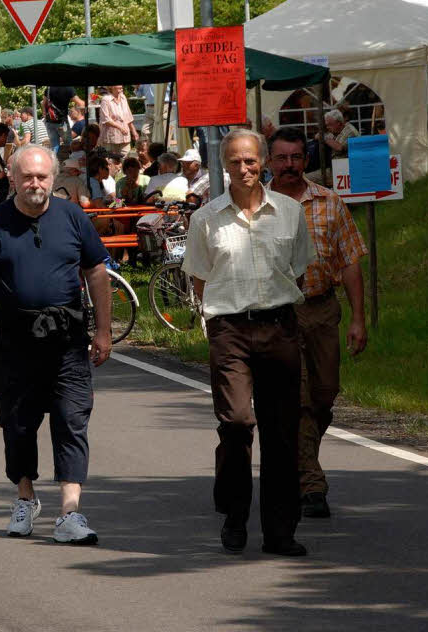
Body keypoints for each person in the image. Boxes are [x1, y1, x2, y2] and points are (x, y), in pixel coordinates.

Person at [0, 144, 113, 544]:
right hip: (15, 344)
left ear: (54, 177)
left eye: (42, 176)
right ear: (12, 178)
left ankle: (70, 513)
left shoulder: (73, 216)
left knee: (71, 421)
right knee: (18, 425)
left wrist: (104, 331)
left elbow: (96, 272)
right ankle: (25, 497)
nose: (35, 184)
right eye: (27, 177)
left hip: (66, 341)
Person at [181, 128, 314, 557]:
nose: (243, 168)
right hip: (230, 330)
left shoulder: (291, 213)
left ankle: (280, 532)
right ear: (224, 165)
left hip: (280, 327)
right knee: (237, 423)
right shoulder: (205, 219)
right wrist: (222, 318)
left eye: (251, 160)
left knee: (281, 433)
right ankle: (235, 517)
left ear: (264, 163)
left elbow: (296, 271)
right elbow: (200, 279)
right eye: (235, 161)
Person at [267, 127, 368, 519]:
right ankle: (311, 483)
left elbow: (351, 260)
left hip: (323, 309)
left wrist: (358, 319)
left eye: (296, 157)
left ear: (304, 160)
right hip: (280, 311)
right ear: (270, 162)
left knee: (325, 395)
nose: (289, 165)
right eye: (282, 158)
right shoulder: (259, 205)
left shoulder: (329, 202)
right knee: (301, 399)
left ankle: (295, 459)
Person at [98, 85, 137, 155]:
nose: (121, 89)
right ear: (112, 87)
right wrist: (120, 128)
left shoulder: (123, 97)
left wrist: (134, 131)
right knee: (111, 160)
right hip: (111, 137)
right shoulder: (106, 99)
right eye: (119, 88)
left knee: (126, 159)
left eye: (122, 87)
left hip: (125, 137)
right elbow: (106, 119)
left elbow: (128, 116)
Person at [43, 86, 84, 151]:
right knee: (69, 144)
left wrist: (45, 115)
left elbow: (44, 103)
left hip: (50, 122)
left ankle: (56, 160)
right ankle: (70, 159)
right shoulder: (69, 88)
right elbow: (80, 103)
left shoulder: (49, 88)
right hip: (62, 122)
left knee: (54, 146)